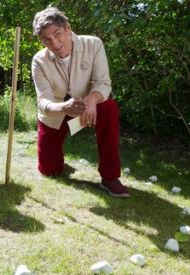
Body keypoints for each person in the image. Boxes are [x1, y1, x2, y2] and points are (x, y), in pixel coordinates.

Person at [31, 7, 129, 197]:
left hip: (87, 111)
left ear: (67, 28)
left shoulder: (93, 44)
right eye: (47, 39)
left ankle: (110, 178)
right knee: (49, 171)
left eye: (57, 34)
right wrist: (64, 107)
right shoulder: (39, 61)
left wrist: (92, 99)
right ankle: (56, 161)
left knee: (109, 107)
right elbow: (43, 101)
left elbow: (103, 83)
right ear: (41, 40)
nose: (55, 43)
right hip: (55, 116)